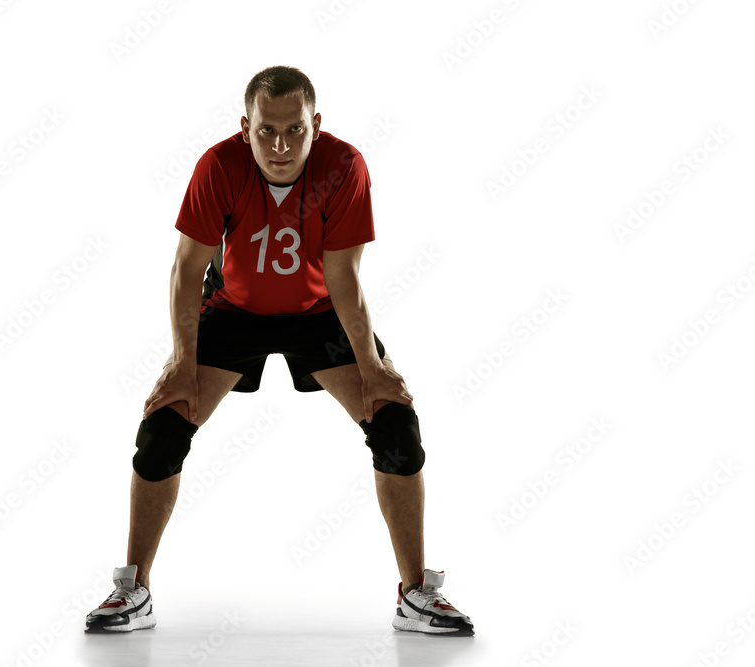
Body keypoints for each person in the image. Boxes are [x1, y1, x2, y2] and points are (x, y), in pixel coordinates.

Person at [85, 66, 473, 637]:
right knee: (162, 428)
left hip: (317, 314)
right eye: (267, 131)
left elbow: (344, 277)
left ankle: (414, 594)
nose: (281, 145)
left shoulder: (343, 167)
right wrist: (180, 362)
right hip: (235, 311)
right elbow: (187, 268)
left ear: (316, 125)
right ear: (246, 127)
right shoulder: (219, 166)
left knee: (396, 425)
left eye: (295, 130)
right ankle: (134, 588)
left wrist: (372, 370)